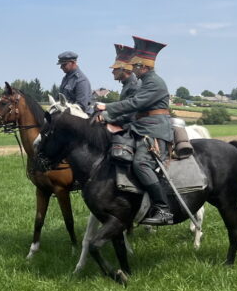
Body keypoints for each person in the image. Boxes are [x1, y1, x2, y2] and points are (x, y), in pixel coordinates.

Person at [97, 37, 173, 225]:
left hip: (154, 130)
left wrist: (106, 109)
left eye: (135, 66)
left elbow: (135, 104)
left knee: (141, 163)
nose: (132, 69)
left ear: (143, 66)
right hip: (142, 127)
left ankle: (164, 209)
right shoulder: (146, 81)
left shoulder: (154, 82)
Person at [107, 44, 140, 128]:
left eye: (115, 69)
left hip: (132, 126)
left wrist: (109, 118)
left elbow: (130, 114)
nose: (112, 72)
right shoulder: (127, 83)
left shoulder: (134, 85)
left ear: (124, 69)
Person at [58, 51, 93, 115]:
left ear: (73, 63)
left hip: (80, 118)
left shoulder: (81, 80)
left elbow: (81, 106)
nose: (61, 67)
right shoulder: (66, 78)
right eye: (61, 65)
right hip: (66, 115)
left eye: (64, 64)